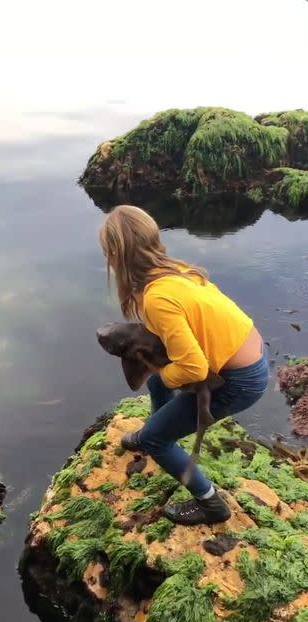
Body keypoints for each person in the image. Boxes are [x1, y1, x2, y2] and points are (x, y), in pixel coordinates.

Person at [99, 204, 269, 526]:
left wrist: (163, 370)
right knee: (156, 384)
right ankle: (162, 429)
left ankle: (209, 503)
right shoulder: (174, 269)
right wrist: (160, 375)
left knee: (154, 436)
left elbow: (193, 368)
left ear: (115, 255)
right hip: (249, 352)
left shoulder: (157, 298)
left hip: (239, 379)